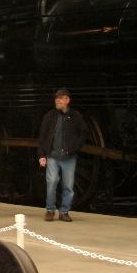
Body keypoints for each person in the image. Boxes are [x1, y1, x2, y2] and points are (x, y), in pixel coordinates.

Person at [37, 89, 89, 221]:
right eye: (56, 98)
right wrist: (41, 155)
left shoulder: (76, 116)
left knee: (68, 186)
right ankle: (50, 210)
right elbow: (42, 136)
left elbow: (84, 133)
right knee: (52, 182)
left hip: (69, 157)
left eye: (60, 98)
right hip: (52, 156)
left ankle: (64, 212)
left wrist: (74, 148)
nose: (57, 100)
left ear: (67, 100)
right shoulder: (49, 116)